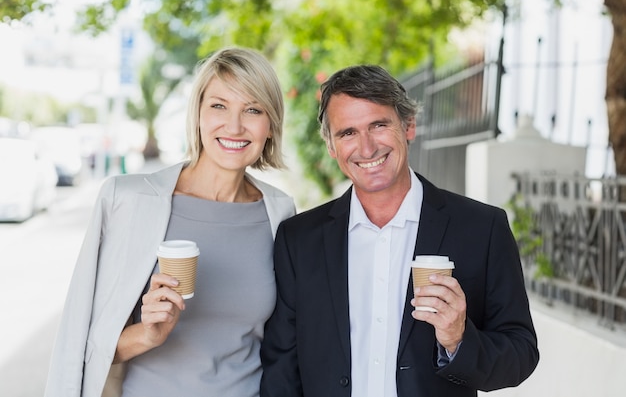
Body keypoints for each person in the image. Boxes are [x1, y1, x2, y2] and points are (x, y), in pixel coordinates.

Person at [260, 65, 539, 397]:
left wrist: (458, 339)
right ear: (331, 146)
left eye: (378, 125)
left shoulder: (482, 228)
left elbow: (520, 354)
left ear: (408, 126)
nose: (366, 148)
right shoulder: (299, 239)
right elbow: (281, 369)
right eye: (347, 132)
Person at [44, 47, 296, 397]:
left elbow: (282, 341)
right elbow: (78, 348)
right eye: (219, 106)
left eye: (253, 109)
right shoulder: (127, 200)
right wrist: (146, 334)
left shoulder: (279, 211)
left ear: (270, 126)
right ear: (197, 115)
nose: (234, 126)